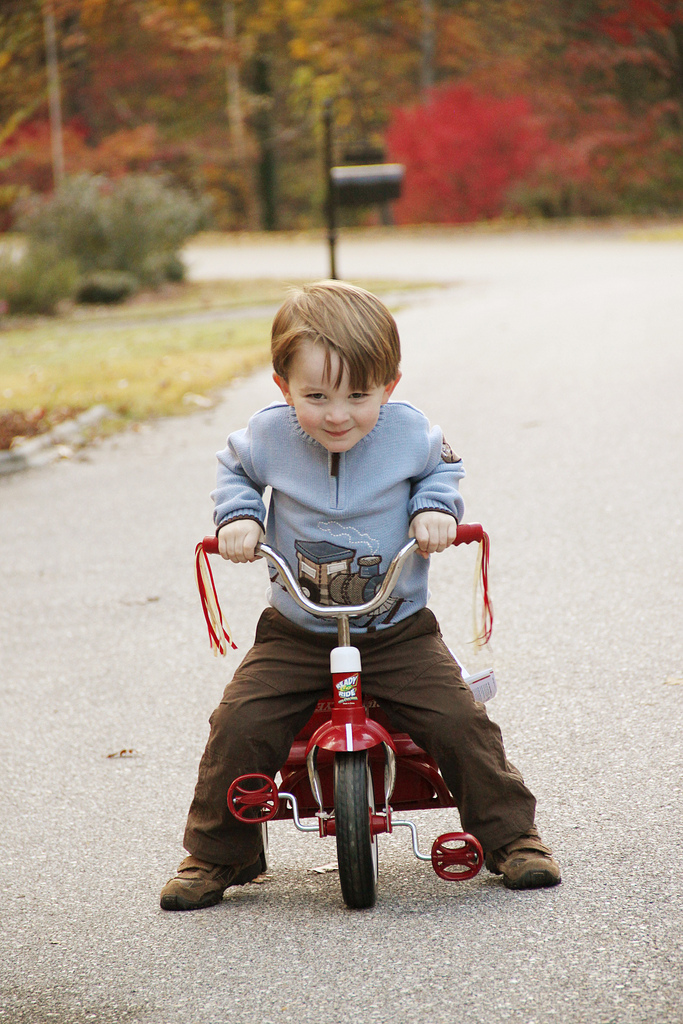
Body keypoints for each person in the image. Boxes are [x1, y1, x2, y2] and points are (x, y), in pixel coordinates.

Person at [160, 280, 561, 911]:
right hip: (297, 630)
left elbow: (442, 470)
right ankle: (219, 854)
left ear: (390, 385)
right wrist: (239, 519)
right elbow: (233, 470)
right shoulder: (267, 437)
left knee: (459, 721)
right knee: (238, 723)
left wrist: (435, 509)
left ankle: (512, 838)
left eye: (358, 395)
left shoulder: (409, 433)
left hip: (397, 627)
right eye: (314, 395)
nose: (337, 413)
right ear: (282, 385)